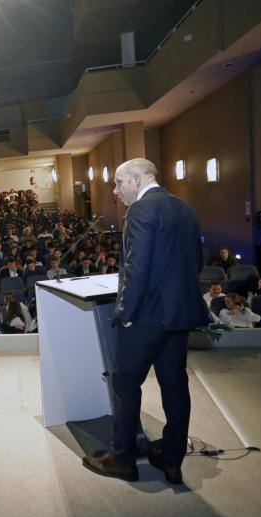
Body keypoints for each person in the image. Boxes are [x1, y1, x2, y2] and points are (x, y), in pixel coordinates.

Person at [83, 158, 210, 485]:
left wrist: (126, 313)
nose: (115, 191)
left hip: (147, 317)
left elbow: (135, 270)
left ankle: (122, 458)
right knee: (175, 385)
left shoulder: (139, 211)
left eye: (118, 183)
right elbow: (197, 262)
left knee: (124, 383)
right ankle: (172, 458)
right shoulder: (185, 209)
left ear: (137, 179)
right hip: (177, 317)